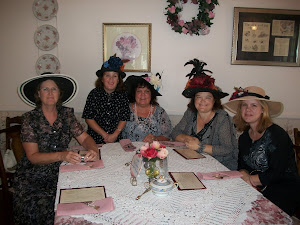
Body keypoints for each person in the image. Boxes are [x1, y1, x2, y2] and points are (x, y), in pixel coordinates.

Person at [14, 74, 99, 225]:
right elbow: (33, 156)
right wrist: (61, 155)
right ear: (38, 93)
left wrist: (94, 150)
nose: (50, 93)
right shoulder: (29, 118)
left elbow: (84, 138)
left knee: (90, 194)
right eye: (45, 89)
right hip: (35, 176)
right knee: (46, 206)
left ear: (59, 93)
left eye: (54, 89)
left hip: (62, 170)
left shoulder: (66, 114)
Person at [224, 86, 300, 216]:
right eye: (244, 105)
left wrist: (250, 180)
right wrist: (245, 176)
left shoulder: (277, 135)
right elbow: (242, 166)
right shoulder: (244, 137)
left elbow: (277, 173)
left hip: (282, 190)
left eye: (254, 105)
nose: (248, 109)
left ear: (263, 109)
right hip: (256, 187)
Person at [171, 59, 238, 170]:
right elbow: (175, 132)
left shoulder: (222, 117)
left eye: (208, 97)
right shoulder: (190, 113)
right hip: (193, 162)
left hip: (220, 166)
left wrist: (199, 146)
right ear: (194, 99)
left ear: (214, 100)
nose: (202, 101)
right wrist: (189, 139)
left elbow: (227, 149)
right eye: (199, 97)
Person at [82, 56, 130, 144]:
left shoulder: (123, 95)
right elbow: (88, 118)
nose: (111, 79)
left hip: (116, 140)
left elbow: (124, 118)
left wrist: (114, 135)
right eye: (107, 75)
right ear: (102, 79)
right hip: (95, 139)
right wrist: (105, 135)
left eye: (115, 76)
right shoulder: (93, 94)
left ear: (118, 80)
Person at [122, 74, 172, 142]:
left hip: (153, 150)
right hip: (127, 151)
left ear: (151, 94)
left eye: (147, 91)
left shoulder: (160, 112)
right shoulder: (125, 109)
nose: (143, 94)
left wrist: (155, 138)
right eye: (139, 91)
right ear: (134, 94)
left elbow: (167, 137)